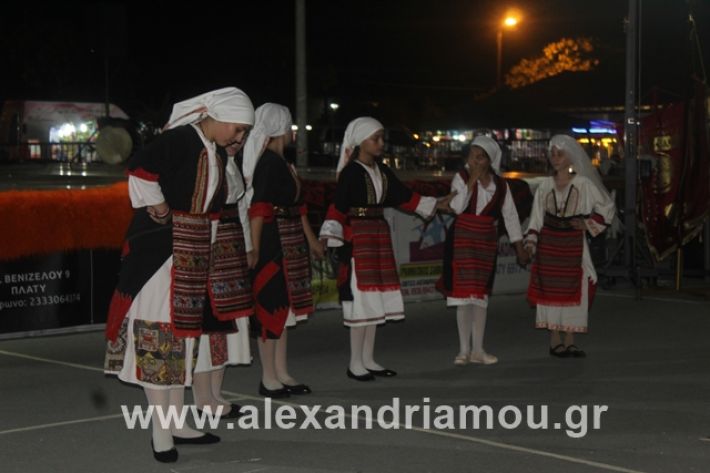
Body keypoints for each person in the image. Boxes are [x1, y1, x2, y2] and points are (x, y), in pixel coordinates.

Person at [104, 87, 255, 462]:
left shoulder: (214, 151)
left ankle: (175, 423)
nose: (238, 138)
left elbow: (215, 209)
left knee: (183, 340)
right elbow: (140, 169)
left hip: (194, 254)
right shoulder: (180, 139)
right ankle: (160, 431)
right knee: (160, 337)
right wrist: (158, 208)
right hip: (162, 254)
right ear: (216, 116)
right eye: (236, 129)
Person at [319, 117, 454, 381]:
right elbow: (339, 205)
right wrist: (332, 235)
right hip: (358, 240)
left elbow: (405, 197)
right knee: (361, 300)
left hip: (378, 237)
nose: (381, 143)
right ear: (361, 141)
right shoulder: (351, 172)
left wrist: (438, 204)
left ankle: (368, 359)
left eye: (382, 138)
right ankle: (355, 362)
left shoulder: (382, 171)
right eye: (375, 138)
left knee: (375, 300)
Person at [243, 103, 322, 398]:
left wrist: (311, 240)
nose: (293, 132)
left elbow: (297, 207)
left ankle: (281, 372)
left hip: (287, 241)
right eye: (290, 126)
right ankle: (268, 377)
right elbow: (259, 208)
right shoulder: (268, 163)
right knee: (271, 308)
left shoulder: (280, 162)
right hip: (273, 243)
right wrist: (255, 247)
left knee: (283, 310)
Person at [437, 136, 529, 366]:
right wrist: (472, 182)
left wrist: (520, 248)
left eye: (480, 156)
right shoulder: (462, 178)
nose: (474, 160)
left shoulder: (501, 185)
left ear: (489, 160)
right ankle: (463, 350)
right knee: (462, 296)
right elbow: (457, 208)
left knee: (480, 297)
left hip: (486, 243)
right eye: (472, 155)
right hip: (462, 240)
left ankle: (478, 349)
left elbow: (510, 216)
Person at [524, 134, 616, 358]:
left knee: (578, 287)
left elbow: (607, 207)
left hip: (573, 243)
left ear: (570, 156)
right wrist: (530, 242)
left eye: (560, 154)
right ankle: (555, 339)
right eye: (552, 154)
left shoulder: (583, 184)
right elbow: (536, 218)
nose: (555, 158)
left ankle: (570, 339)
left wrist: (588, 224)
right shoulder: (545, 185)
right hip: (549, 245)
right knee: (551, 291)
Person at [191, 139, 255, 420]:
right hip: (212, 248)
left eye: (243, 136)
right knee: (209, 325)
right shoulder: (205, 163)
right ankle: (203, 399)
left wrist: (249, 246)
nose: (238, 141)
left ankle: (216, 394)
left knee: (228, 323)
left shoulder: (232, 165)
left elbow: (241, 210)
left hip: (232, 248)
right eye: (235, 134)